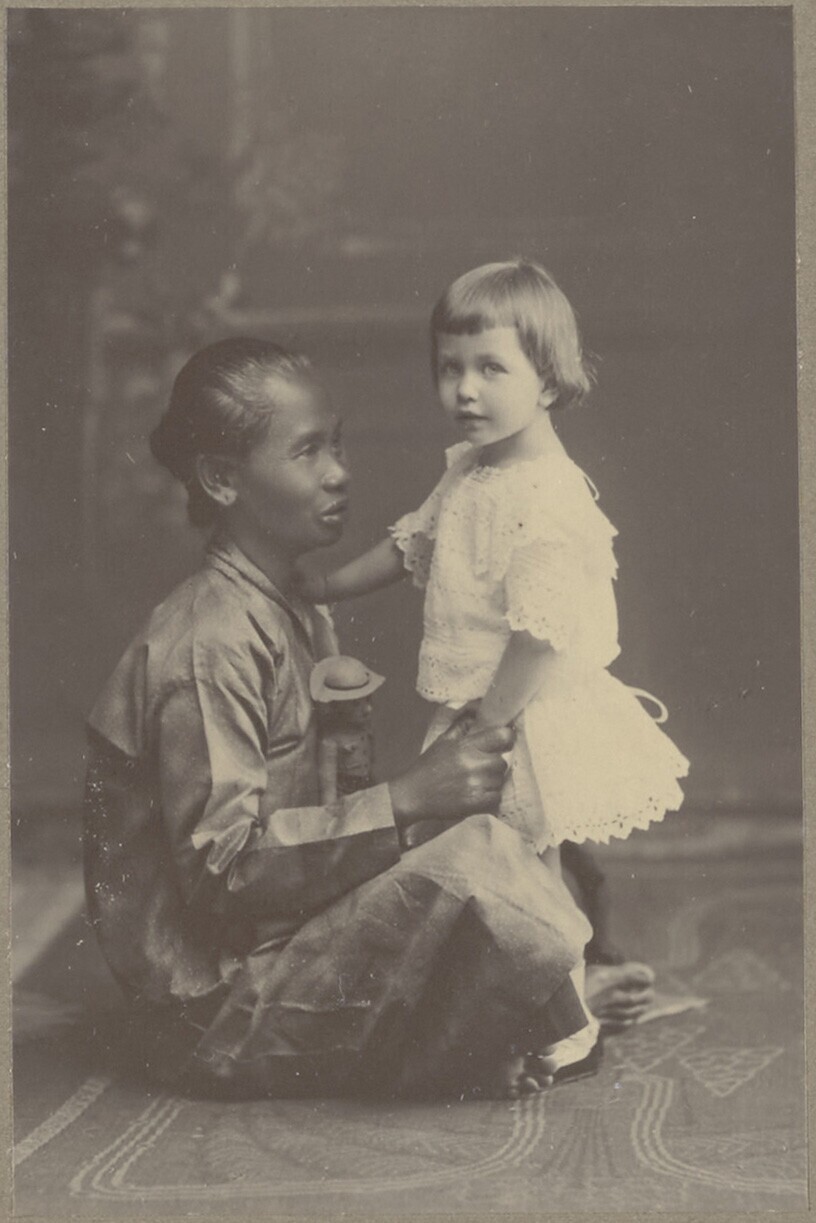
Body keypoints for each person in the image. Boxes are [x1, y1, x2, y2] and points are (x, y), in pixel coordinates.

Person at [83, 336, 601, 1104]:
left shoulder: (290, 601)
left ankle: (542, 999)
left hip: (283, 931)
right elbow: (220, 875)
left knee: (510, 834)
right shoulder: (209, 639)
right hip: (211, 1006)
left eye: (338, 443)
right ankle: (527, 1014)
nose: (339, 472)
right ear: (222, 479)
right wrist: (407, 799)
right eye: (307, 452)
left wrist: (412, 816)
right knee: (478, 858)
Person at [296, 259, 689, 1061]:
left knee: (529, 876)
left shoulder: (546, 496)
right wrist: (324, 588)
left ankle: (568, 1021)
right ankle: (513, 1001)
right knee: (483, 872)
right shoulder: (472, 471)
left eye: (490, 369)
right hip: (477, 714)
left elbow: (541, 633)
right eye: (450, 368)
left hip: (518, 715)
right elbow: (410, 544)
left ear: (548, 379)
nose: (464, 390)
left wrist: (489, 728)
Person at [310, 654, 384, 800]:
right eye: (355, 704)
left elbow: (370, 763)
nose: (368, 709)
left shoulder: (364, 728)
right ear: (336, 705)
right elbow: (328, 787)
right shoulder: (329, 741)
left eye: (368, 699)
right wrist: (330, 810)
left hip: (366, 788)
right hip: (344, 796)